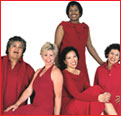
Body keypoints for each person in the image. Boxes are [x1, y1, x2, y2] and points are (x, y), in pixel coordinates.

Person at [4, 42, 63, 115]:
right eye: (45, 55)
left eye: (51, 55)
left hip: (45, 110)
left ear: (55, 56)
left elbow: (58, 97)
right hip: (34, 106)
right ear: (41, 56)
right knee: (8, 113)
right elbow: (29, 90)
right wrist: (17, 104)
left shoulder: (56, 72)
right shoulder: (38, 71)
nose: (48, 58)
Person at [55, 1, 104, 84]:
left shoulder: (85, 28)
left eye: (76, 10)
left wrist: (101, 63)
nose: (73, 12)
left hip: (81, 63)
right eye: (70, 10)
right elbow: (56, 46)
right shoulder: (63, 26)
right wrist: (57, 65)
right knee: (67, 89)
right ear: (67, 13)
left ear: (80, 12)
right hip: (66, 64)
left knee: (84, 89)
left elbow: (90, 47)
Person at [60, 46, 117, 115]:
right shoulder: (65, 74)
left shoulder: (79, 73)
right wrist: (98, 97)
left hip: (79, 101)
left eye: (74, 57)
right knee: (96, 94)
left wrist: (103, 94)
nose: (73, 60)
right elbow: (75, 94)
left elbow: (89, 89)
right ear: (65, 61)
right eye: (69, 58)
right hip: (69, 105)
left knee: (96, 90)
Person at [1, 36, 35, 114]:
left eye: (20, 47)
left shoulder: (28, 69)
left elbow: (33, 93)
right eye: (14, 46)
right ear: (8, 48)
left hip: (18, 111)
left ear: (23, 51)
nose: (17, 49)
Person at [94, 44, 120, 115]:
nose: (113, 57)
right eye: (112, 53)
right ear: (107, 54)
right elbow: (95, 88)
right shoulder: (99, 69)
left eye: (117, 55)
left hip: (118, 105)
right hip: (103, 105)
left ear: (119, 57)